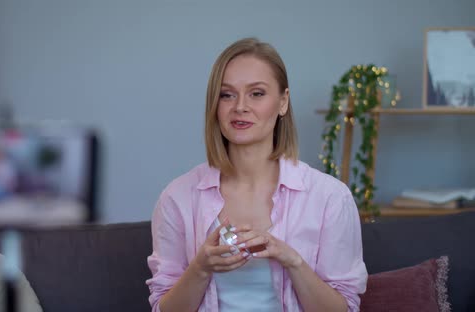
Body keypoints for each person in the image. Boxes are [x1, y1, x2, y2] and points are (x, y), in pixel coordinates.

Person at [146, 38, 367, 312]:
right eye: (227, 94)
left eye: (257, 93)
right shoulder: (177, 197)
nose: (240, 106)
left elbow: (344, 308)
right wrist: (200, 268)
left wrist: (292, 260)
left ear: (283, 102)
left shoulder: (331, 198)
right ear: (215, 105)